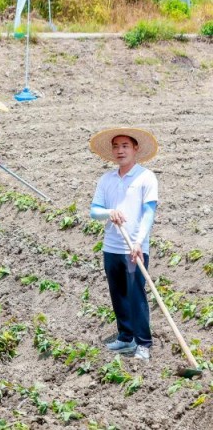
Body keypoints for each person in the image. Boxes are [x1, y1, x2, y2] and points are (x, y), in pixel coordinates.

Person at [89, 127, 159, 361]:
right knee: (117, 293)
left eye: (125, 146)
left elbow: (149, 212)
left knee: (136, 293)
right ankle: (126, 337)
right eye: (116, 146)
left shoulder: (146, 177)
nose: (120, 150)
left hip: (135, 247)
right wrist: (109, 212)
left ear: (135, 149)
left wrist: (139, 242)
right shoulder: (106, 179)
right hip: (112, 246)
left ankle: (143, 343)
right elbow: (94, 211)